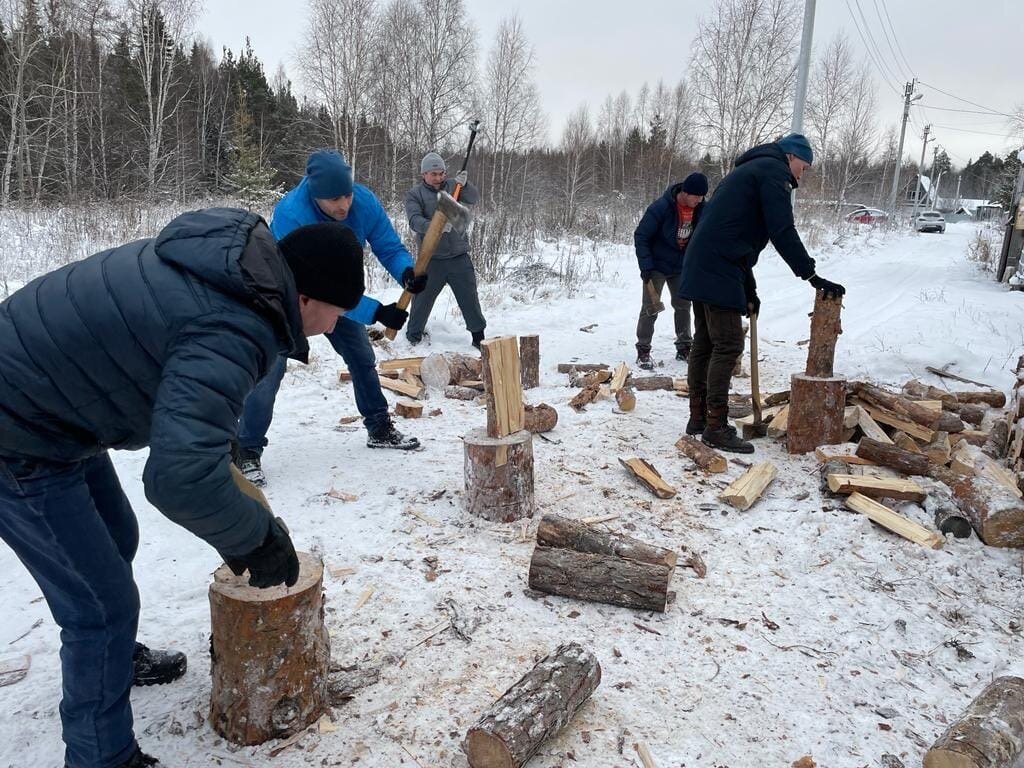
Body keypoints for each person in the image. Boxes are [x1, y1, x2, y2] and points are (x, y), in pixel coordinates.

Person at [0, 208, 365, 768]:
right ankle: (102, 757)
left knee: (114, 537)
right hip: (19, 434)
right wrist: (254, 540)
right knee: (100, 605)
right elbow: (178, 476)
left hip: (55, 406)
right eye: (337, 312)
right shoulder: (233, 324)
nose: (337, 326)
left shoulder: (235, 270)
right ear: (306, 299)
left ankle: (112, 662)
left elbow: (195, 429)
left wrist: (238, 516)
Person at [235, 150, 425, 487]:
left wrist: (406, 272)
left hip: (340, 293)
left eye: (347, 194)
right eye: (334, 198)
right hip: (289, 295)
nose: (344, 205)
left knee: (362, 357)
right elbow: (314, 285)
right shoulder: (292, 214)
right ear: (314, 193)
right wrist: (375, 311)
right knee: (269, 370)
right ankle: (247, 449)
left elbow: (388, 246)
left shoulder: (363, 202)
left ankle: (379, 426)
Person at [680, 133, 846, 453]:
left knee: (704, 342)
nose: (801, 174)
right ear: (791, 157)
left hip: (705, 262)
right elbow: (781, 228)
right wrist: (810, 274)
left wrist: (748, 288)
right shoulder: (772, 172)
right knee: (728, 344)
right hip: (718, 267)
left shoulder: (752, 169)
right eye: (803, 166)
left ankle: (698, 418)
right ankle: (715, 426)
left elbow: (736, 234)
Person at [404, 151, 486, 348]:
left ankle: (478, 338)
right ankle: (413, 337)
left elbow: (474, 198)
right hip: (431, 258)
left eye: (441, 173)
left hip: (459, 256)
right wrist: (435, 226)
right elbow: (414, 221)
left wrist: (465, 184)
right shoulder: (415, 194)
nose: (438, 178)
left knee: (469, 299)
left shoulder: (453, 186)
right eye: (434, 174)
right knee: (421, 302)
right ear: (423, 174)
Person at [634, 172, 708, 369]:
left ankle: (684, 346)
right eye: (696, 196)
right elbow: (641, 236)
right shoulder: (661, 207)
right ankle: (643, 349)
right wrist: (646, 266)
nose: (699, 200)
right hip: (656, 265)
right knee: (651, 307)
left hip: (681, 265)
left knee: (683, 305)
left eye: (702, 197)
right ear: (685, 192)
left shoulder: (701, 209)